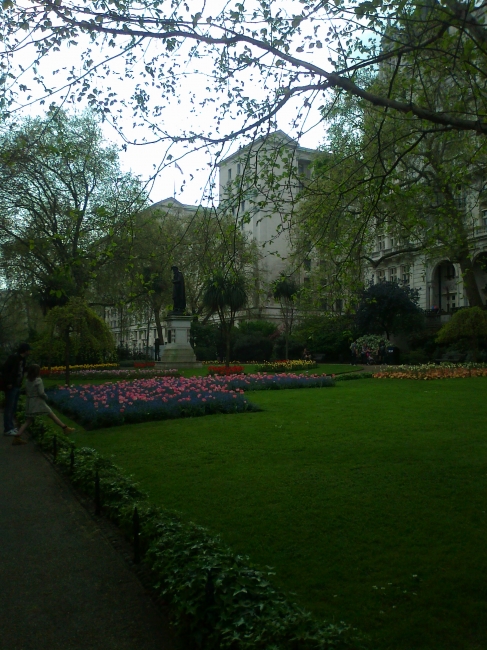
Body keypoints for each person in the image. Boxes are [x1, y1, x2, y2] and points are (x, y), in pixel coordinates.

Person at [13, 364, 75, 445]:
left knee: (29, 420)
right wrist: (46, 397)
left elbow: (27, 391)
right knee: (51, 414)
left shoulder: (27, 380)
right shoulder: (38, 380)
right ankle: (65, 428)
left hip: (30, 401)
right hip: (38, 401)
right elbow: (41, 392)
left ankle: (17, 436)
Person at [3, 342, 32, 437]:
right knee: (9, 407)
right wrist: (8, 383)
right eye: (29, 350)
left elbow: (22, 370)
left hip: (17, 385)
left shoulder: (23, 360)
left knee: (13, 407)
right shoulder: (14, 358)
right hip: (11, 386)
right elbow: (5, 370)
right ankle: (8, 428)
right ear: (25, 350)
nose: (30, 352)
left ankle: (10, 426)